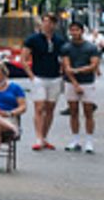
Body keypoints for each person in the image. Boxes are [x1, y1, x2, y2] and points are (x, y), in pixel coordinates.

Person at [22, 13, 67, 151]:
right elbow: (23, 59)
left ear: (55, 24)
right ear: (41, 23)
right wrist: (31, 76)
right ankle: (38, 137)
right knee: (39, 107)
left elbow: (65, 58)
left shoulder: (60, 40)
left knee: (50, 109)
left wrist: (63, 72)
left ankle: (45, 137)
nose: (48, 25)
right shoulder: (33, 39)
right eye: (46, 22)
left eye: (51, 22)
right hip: (39, 77)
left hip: (55, 77)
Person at [62, 19, 99, 153]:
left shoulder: (91, 47)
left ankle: (89, 141)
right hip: (71, 83)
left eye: (76, 30)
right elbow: (66, 67)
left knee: (88, 112)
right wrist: (75, 83)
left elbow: (94, 65)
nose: (74, 32)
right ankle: (75, 139)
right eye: (72, 30)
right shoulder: (66, 47)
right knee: (73, 112)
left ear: (82, 31)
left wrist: (78, 71)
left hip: (88, 82)